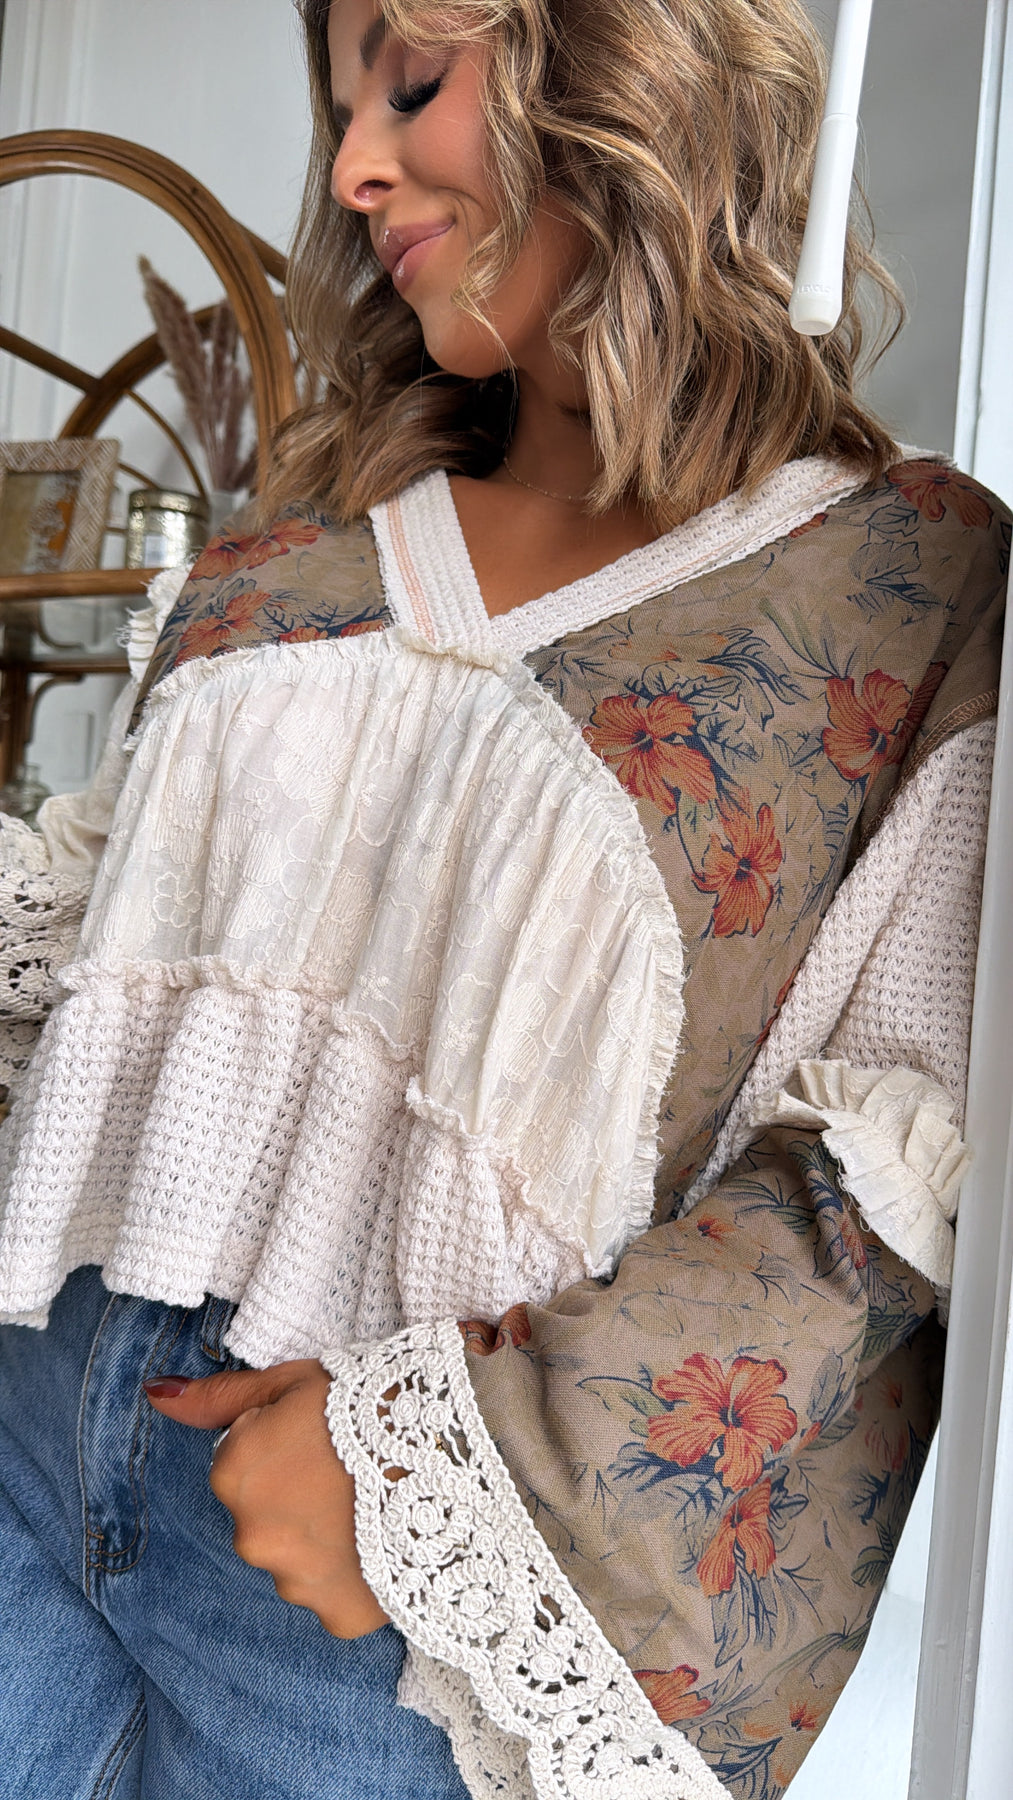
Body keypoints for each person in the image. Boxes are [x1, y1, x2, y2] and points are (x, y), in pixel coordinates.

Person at [0, 0, 1006, 1796]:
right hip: (19, 1434)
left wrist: (423, 1465)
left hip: (380, 1608)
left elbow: (896, 1175)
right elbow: (84, 1000)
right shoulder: (280, 555)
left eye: (409, 80)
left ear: (625, 66)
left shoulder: (899, 586)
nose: (351, 169)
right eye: (338, 112)